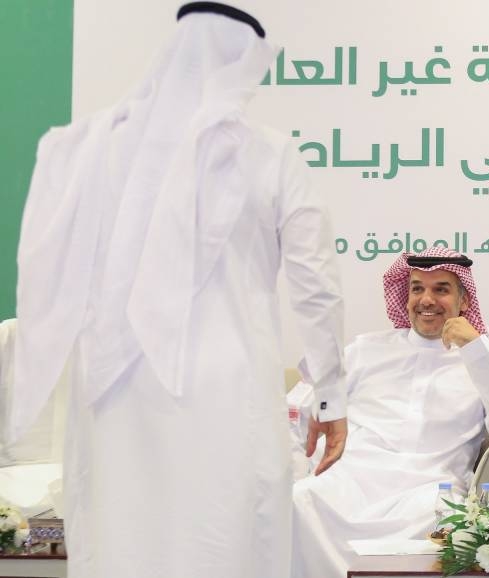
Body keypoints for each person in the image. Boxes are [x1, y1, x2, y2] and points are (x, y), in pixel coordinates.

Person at [7, 4, 347, 578]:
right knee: (226, 538)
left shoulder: (94, 147)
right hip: (226, 385)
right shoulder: (269, 153)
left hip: (113, 391)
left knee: (125, 539)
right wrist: (331, 398)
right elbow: (316, 284)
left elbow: (50, 261)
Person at [291, 247, 489, 578]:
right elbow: (299, 408)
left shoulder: (483, 359)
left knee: (444, 520)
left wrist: (476, 348)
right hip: (350, 483)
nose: (426, 300)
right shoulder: (366, 350)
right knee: (300, 498)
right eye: (417, 288)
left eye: (441, 289)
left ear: (464, 300)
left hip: (427, 494)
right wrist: (298, 465)